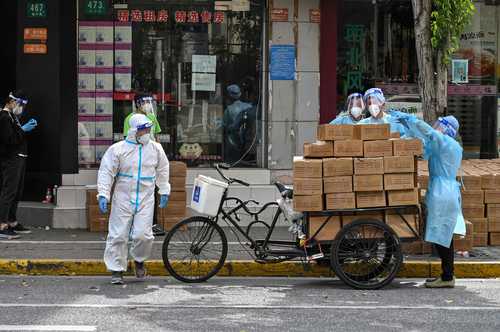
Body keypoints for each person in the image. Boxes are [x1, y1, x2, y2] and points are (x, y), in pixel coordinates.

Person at [390, 111, 464, 288]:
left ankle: (447, 277)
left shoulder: (448, 143)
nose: (435, 126)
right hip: (443, 190)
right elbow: (424, 148)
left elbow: (429, 133)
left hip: (443, 193)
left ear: (446, 128)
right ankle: (447, 275)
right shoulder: (443, 145)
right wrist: (409, 128)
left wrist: (413, 119)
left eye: (439, 124)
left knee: (442, 236)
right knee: (444, 235)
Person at [97, 114, 171, 285]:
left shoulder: (155, 149)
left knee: (143, 235)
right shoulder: (118, 149)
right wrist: (103, 194)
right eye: (144, 129)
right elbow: (106, 172)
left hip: (146, 197)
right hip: (123, 196)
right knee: (118, 234)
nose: (147, 131)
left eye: (148, 128)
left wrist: (164, 189)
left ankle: (139, 260)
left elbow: (163, 169)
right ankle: (116, 270)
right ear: (134, 130)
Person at [123, 93, 164, 236]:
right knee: (133, 193)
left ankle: (150, 224)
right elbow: (126, 141)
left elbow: (157, 138)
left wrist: (159, 158)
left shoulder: (152, 118)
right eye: (144, 101)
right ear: (137, 104)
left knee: (150, 194)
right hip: (135, 161)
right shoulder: (130, 119)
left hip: (150, 160)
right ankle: (131, 225)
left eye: (149, 101)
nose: (147, 104)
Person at [0, 91, 37, 239]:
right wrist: (23, 129)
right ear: (11, 101)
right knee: (9, 191)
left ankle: (12, 221)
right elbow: (9, 140)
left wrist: (23, 129)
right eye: (20, 104)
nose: (21, 107)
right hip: (11, 159)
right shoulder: (4, 117)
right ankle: (2, 224)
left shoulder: (12, 117)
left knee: (16, 191)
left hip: (19, 157)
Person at [223, 84, 255, 164]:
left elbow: (226, 126)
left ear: (229, 96)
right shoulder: (249, 106)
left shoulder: (229, 109)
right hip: (248, 141)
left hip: (234, 142)